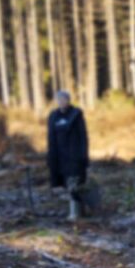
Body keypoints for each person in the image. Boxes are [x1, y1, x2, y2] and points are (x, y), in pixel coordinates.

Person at [47, 90, 89, 221]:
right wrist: (51, 157)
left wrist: (83, 154)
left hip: (74, 155)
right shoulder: (53, 116)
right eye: (58, 100)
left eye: (63, 99)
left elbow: (83, 136)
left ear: (68, 100)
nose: (61, 102)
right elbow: (50, 138)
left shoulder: (76, 115)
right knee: (66, 184)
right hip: (60, 157)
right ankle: (81, 209)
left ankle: (74, 213)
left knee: (74, 184)